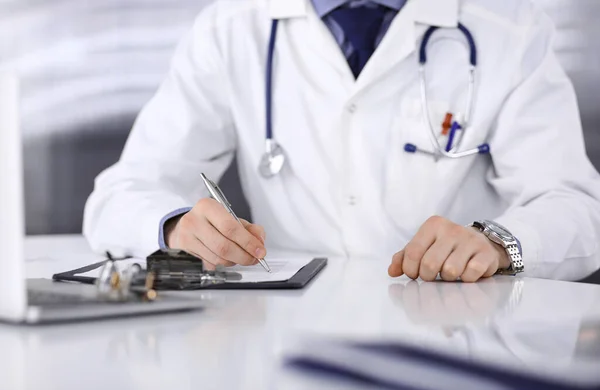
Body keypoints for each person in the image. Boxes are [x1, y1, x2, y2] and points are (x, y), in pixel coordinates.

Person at [83, 0, 600, 282]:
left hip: (459, 333)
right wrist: (175, 226)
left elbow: (578, 206)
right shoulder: (233, 25)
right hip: (281, 336)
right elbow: (122, 191)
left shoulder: (507, 25)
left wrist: (497, 242)